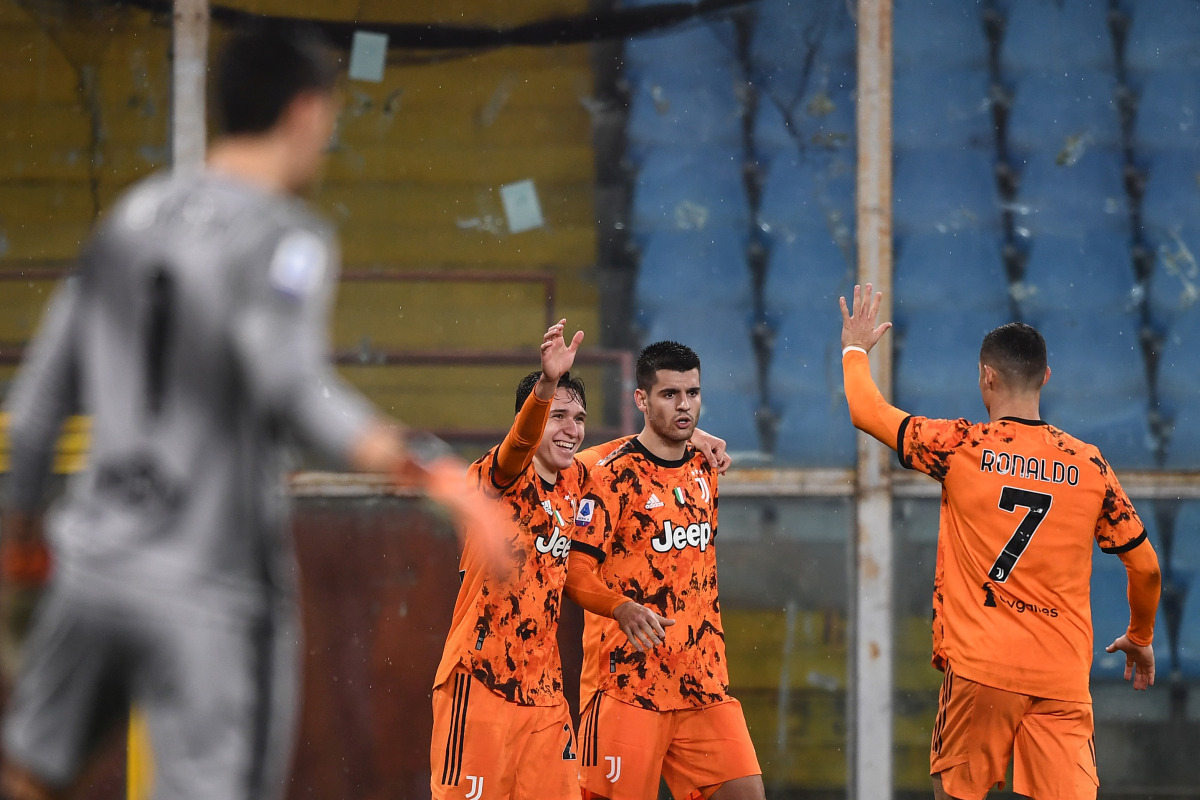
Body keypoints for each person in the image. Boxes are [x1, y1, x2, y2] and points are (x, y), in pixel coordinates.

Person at [0, 23, 462, 800]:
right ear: (306, 113)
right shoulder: (288, 236)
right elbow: (293, 386)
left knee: (30, 778)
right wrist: (433, 471)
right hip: (208, 594)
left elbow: (41, 402)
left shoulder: (129, 218)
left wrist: (19, 541)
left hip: (94, 567)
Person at [839, 284, 1162, 800]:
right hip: (1061, 677)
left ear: (986, 376)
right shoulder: (1089, 464)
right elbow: (1145, 568)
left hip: (980, 671)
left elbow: (867, 411)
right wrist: (1140, 636)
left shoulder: (961, 446)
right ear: (1046, 378)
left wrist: (855, 349)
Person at [430, 322, 729, 800]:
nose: (572, 429)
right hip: (481, 679)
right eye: (559, 417)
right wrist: (547, 385)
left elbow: (632, 453)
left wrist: (692, 434)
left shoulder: (578, 483)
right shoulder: (496, 478)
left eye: (579, 418)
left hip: (546, 695)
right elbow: (520, 444)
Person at [574, 341, 764, 800]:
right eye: (669, 394)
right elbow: (576, 573)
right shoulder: (605, 474)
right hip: (627, 686)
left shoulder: (706, 466)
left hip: (702, 684)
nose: (684, 405)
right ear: (641, 399)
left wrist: (695, 437)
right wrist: (621, 608)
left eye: (692, 393)